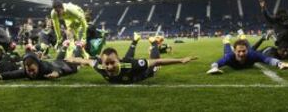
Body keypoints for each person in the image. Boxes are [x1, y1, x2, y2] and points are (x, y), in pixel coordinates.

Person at [66, 33, 197, 84]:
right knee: (129, 59)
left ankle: (154, 43)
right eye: (107, 63)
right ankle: (135, 40)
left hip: (144, 74)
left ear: (118, 59)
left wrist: (180, 60)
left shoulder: (130, 65)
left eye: (113, 62)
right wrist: (72, 59)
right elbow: (86, 61)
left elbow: (156, 61)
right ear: (102, 62)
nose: (110, 67)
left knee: (154, 65)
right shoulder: (99, 66)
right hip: (126, 64)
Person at [0, 43, 79, 80]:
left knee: (75, 64)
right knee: (59, 59)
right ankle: (65, 46)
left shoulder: (44, 67)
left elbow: (55, 69)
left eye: (32, 70)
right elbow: (10, 74)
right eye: (29, 71)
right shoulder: (26, 71)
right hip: (55, 62)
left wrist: (56, 73)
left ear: (37, 64)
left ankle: (78, 46)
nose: (31, 73)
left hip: (62, 66)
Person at [206, 37, 288, 74]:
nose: (241, 54)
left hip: (247, 51)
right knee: (226, 46)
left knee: (246, 45)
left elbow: (267, 59)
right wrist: (214, 68)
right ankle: (226, 40)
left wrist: (280, 64)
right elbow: (216, 63)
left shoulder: (252, 55)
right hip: (229, 52)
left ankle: (242, 36)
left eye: (244, 51)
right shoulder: (230, 56)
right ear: (235, 51)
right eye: (239, 51)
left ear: (247, 50)